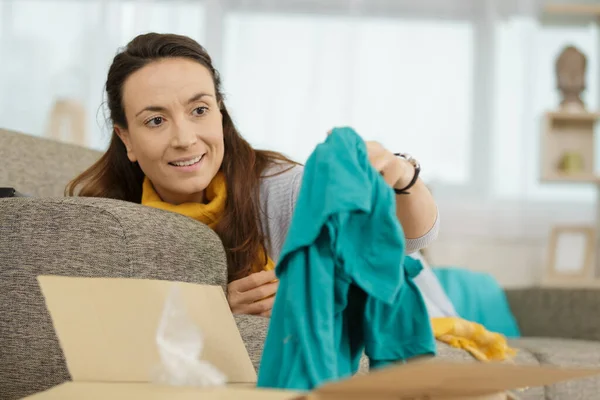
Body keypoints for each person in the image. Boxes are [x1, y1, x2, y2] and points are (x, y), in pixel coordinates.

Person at [67, 33, 439, 317]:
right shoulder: (106, 220)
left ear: (220, 112)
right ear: (126, 137)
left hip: (411, 302)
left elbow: (408, 239)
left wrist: (402, 173)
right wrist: (213, 314)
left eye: (199, 110)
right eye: (156, 120)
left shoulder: (279, 188)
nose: (184, 138)